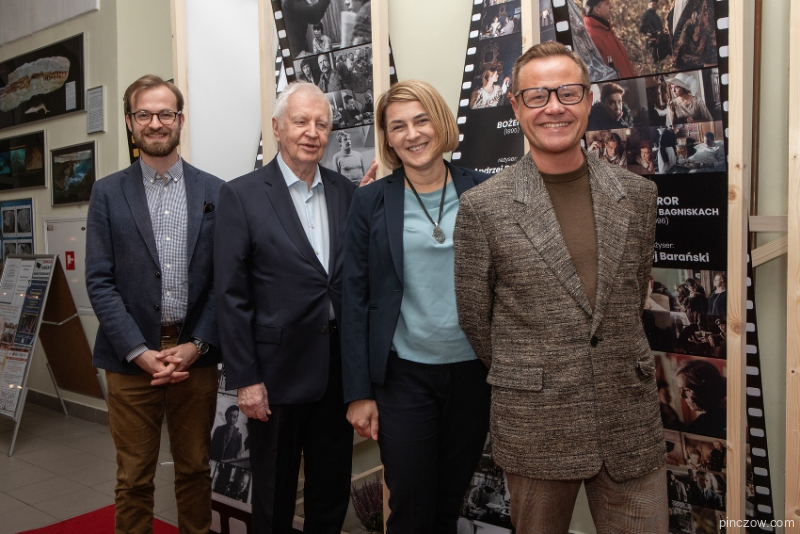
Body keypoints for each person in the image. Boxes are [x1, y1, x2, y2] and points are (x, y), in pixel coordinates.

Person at [453, 41, 666, 534]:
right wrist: (532, 370)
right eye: (537, 95)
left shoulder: (638, 195)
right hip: (536, 423)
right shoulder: (484, 207)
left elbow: (632, 295)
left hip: (629, 419)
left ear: (588, 100)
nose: (554, 107)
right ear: (516, 106)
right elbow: (476, 318)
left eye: (568, 93)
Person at [342, 80, 491, 534]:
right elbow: (354, 299)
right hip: (403, 377)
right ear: (388, 138)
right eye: (398, 126)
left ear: (440, 123)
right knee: (409, 507)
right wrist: (358, 393)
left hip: (473, 375)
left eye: (421, 120)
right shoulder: (370, 200)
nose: (412, 134)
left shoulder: (485, 192)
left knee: (449, 503)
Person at [215, 82, 358, 533]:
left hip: (336, 373)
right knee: (274, 498)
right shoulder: (241, 195)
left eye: (321, 124)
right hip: (274, 377)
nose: (312, 132)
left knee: (330, 492)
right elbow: (230, 295)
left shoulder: (347, 192)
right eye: (301, 122)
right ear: (277, 128)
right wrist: (246, 380)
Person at [86, 74, 223, 534]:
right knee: (133, 479)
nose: (155, 123)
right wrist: (138, 352)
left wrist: (197, 345)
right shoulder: (107, 192)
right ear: (129, 122)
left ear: (180, 119)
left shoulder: (216, 191)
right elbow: (99, 281)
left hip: (194, 359)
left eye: (165, 113)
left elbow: (225, 281)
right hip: (129, 361)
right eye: (144, 114)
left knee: (195, 470)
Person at [583, 0, 636, 78]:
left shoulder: (605, 29)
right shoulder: (592, 36)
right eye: (607, 4)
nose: (611, 6)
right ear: (597, 9)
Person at [675, 359, 727, 438]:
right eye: (680, 389)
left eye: (687, 390)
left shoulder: (700, 427)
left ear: (706, 389)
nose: (681, 396)